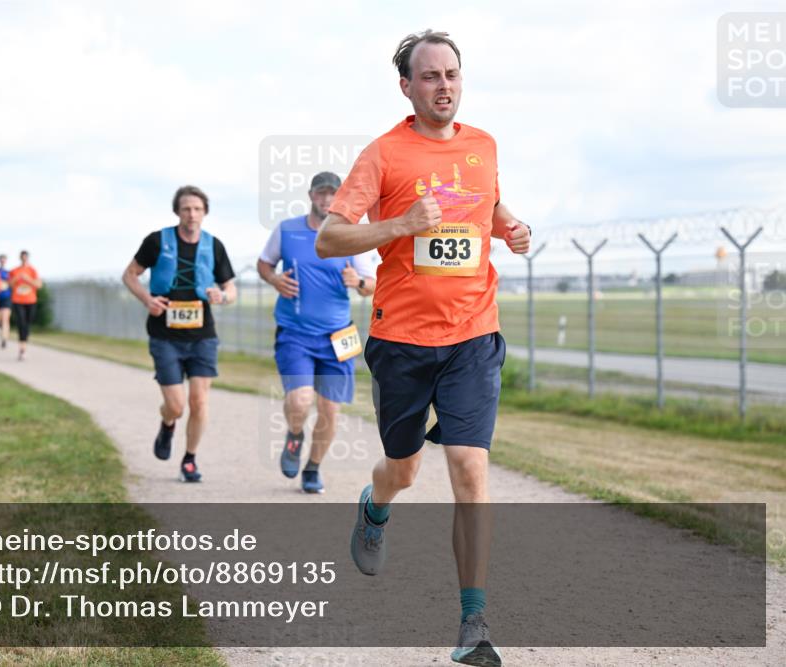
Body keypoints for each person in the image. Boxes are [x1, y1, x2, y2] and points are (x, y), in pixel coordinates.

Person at [314, 30, 531, 667]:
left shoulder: (483, 145)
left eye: (453, 75)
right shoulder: (384, 154)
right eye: (430, 76)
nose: (444, 86)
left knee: (469, 466)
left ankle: (474, 623)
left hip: (472, 332)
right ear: (407, 86)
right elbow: (331, 238)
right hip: (401, 338)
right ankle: (374, 506)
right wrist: (402, 225)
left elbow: (485, 209)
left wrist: (512, 227)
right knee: (403, 469)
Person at [257, 171, 376, 493]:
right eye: (321, 193)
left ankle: (312, 469)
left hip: (338, 336)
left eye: (333, 194)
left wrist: (359, 283)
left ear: (341, 198)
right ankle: (295, 434)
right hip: (295, 333)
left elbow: (372, 285)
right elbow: (264, 263)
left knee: (329, 410)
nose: (327, 199)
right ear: (311, 195)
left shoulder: (350, 235)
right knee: (300, 401)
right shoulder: (287, 230)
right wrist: (274, 280)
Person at [122, 185, 236, 483]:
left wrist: (221, 297)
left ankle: (189, 459)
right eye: (186, 208)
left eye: (197, 209)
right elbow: (129, 274)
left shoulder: (214, 246)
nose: (192, 214)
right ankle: (168, 422)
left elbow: (231, 288)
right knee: (176, 404)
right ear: (177, 212)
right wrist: (147, 299)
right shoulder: (157, 240)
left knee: (199, 401)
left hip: (203, 335)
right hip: (165, 335)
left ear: (205, 212)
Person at [9, 250, 42, 361]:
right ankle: (22, 348)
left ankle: (24, 344)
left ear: (28, 258)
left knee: (27, 323)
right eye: (22, 257)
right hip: (18, 300)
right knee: (21, 323)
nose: (24, 259)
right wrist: (17, 278)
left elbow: (38, 285)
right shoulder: (14, 270)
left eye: (25, 257)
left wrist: (27, 279)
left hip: (30, 300)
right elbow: (9, 285)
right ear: (20, 258)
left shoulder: (32, 270)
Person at [0, 254, 13, 349]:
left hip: (7, 297)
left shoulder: (9, 272)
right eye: (1, 259)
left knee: (5, 319)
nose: (2, 261)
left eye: (4, 259)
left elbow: (13, 284)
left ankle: (4, 339)